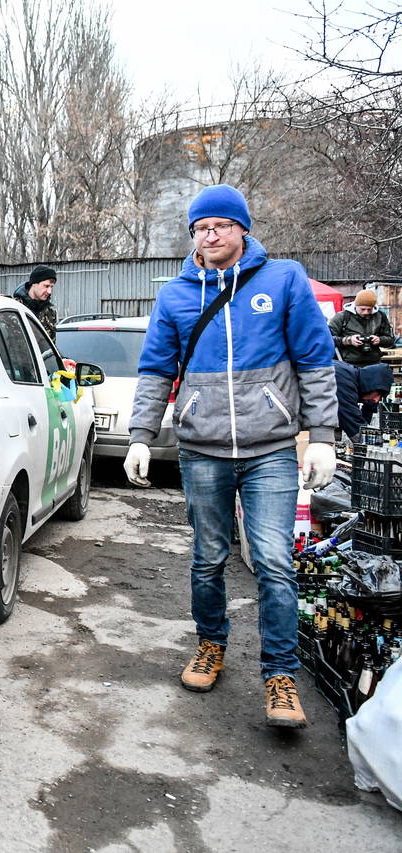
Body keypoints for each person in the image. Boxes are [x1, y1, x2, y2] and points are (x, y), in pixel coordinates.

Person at [124, 184, 337, 729]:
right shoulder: (175, 295)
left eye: (219, 224)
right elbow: (155, 371)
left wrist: (324, 435)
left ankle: (280, 675)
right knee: (208, 558)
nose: (209, 234)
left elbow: (314, 360)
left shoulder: (283, 279)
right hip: (202, 451)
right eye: (199, 227)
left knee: (273, 562)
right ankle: (210, 644)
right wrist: (142, 436)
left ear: (242, 227)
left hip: (270, 451)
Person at [328, 290, 394, 367]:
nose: (366, 312)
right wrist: (348, 340)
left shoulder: (380, 316)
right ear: (356, 305)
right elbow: (328, 339)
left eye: (369, 309)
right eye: (362, 309)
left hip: (374, 363)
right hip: (347, 364)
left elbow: (391, 340)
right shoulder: (342, 317)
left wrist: (380, 340)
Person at [334, 361, 393, 440]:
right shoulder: (344, 381)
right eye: (378, 393)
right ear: (372, 385)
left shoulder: (353, 376)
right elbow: (353, 424)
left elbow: (363, 417)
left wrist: (369, 407)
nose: (376, 400)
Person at [12, 264, 59, 340]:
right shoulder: (14, 307)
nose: (49, 291)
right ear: (34, 284)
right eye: (46, 286)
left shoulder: (50, 311)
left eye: (51, 287)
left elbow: (51, 344)